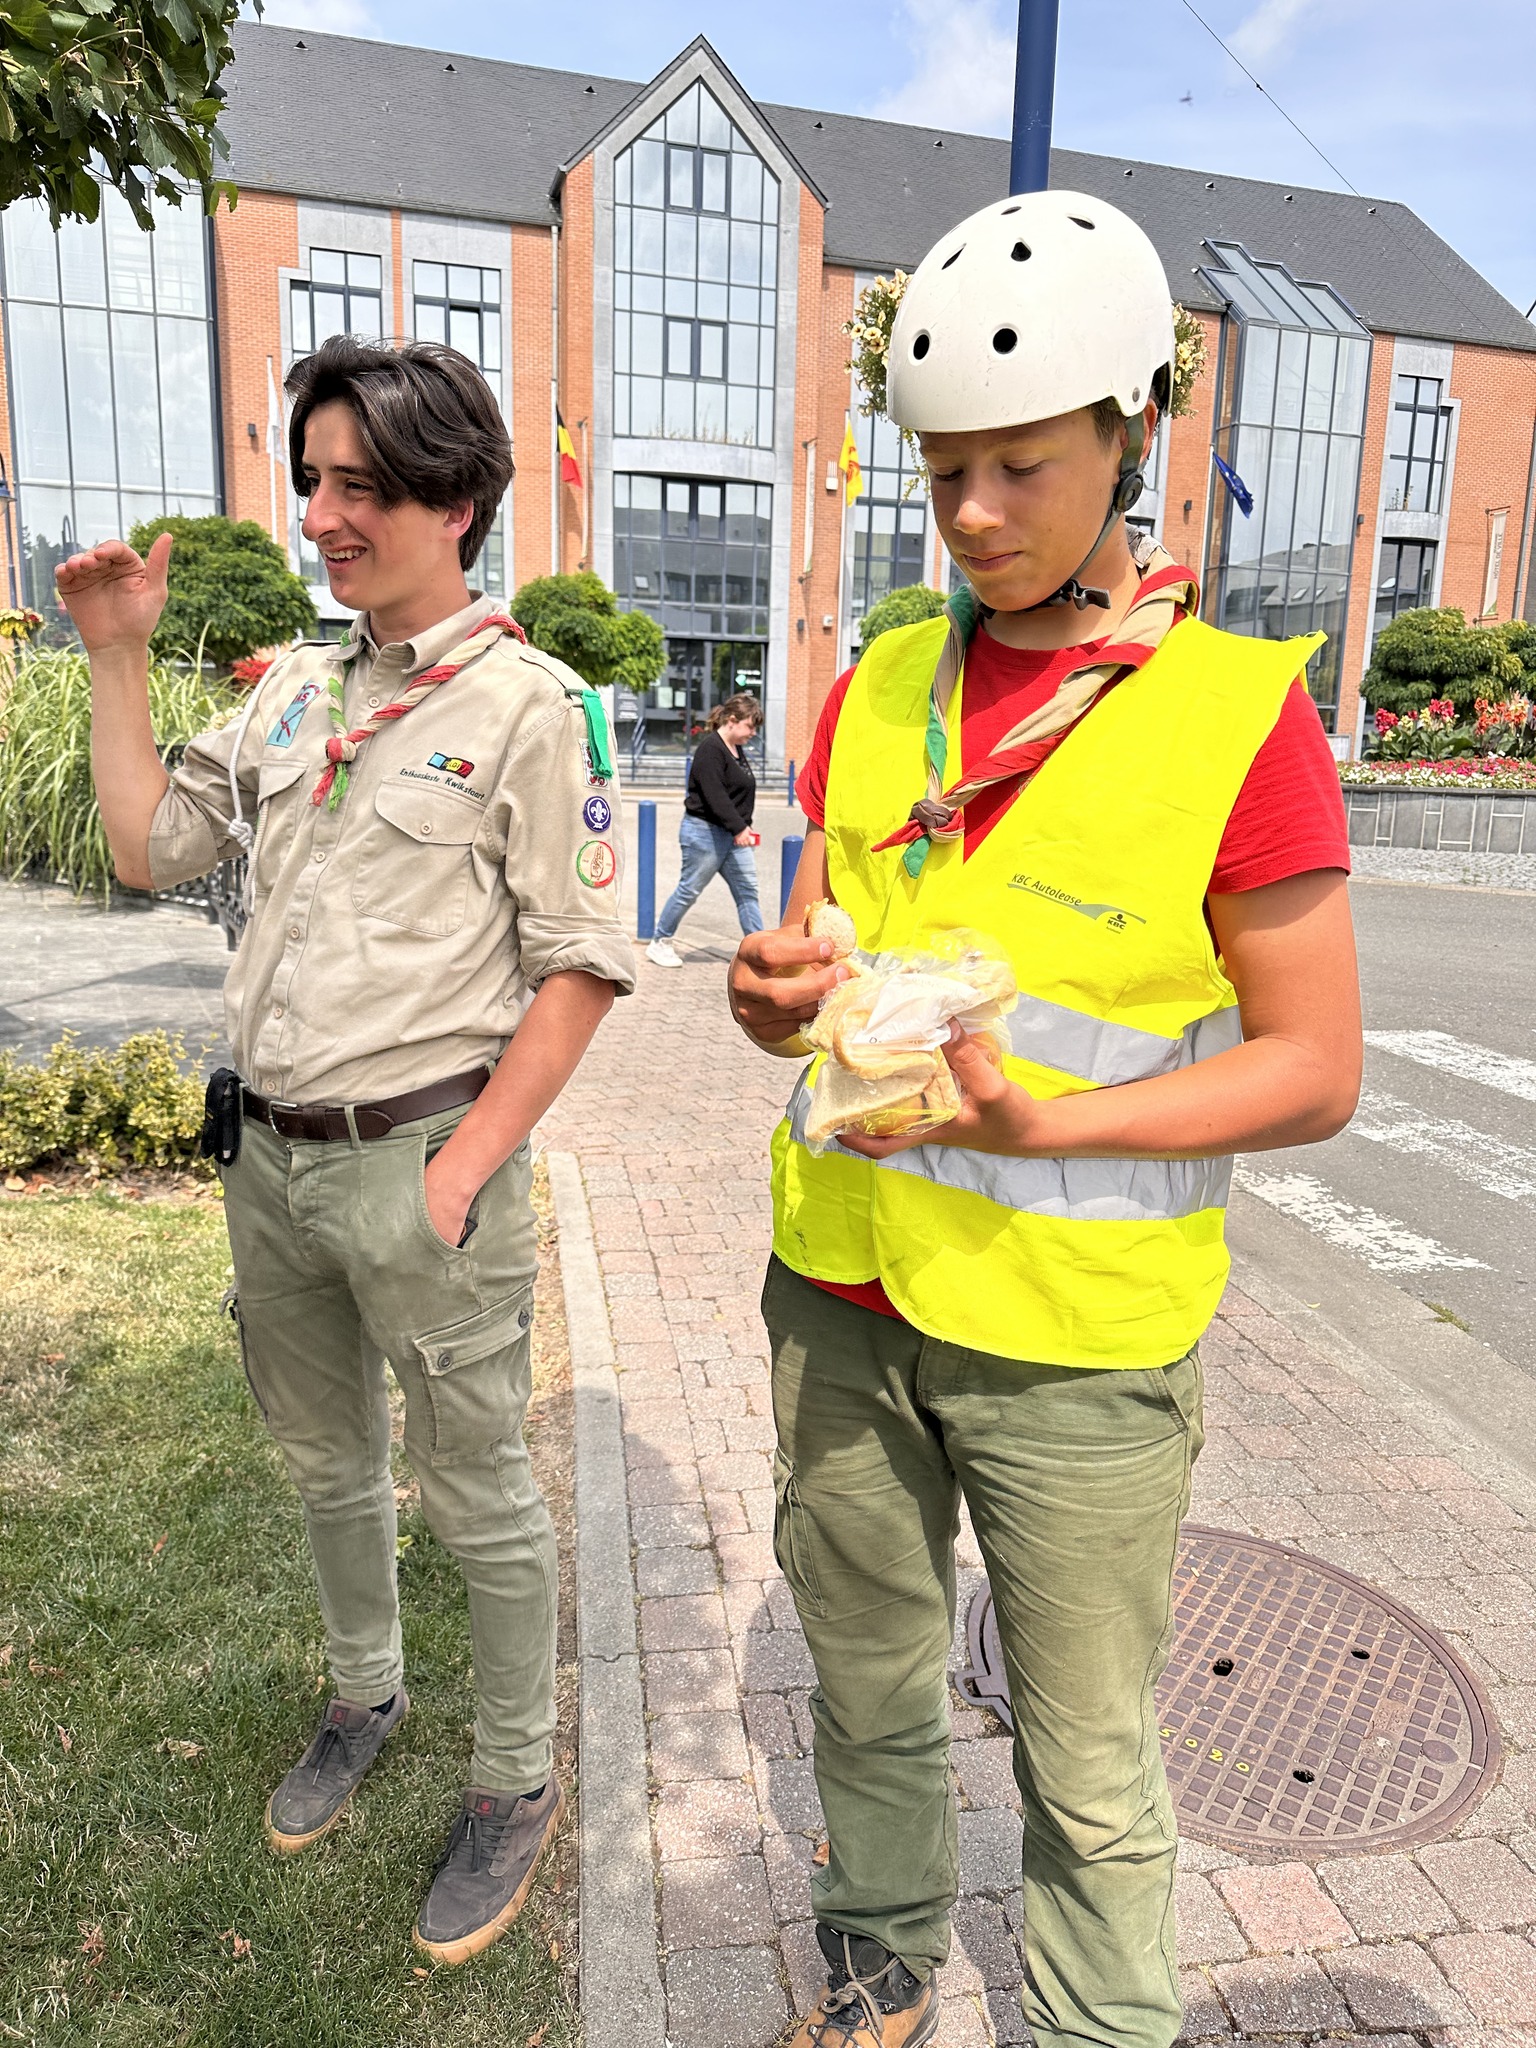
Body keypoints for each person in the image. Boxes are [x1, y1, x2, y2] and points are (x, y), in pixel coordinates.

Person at [727, 191, 1362, 2048]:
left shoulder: (1236, 717)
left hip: (1076, 1351)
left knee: (1087, 1761)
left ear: (1128, 436)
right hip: (839, 1292)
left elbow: (1316, 1066)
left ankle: (1098, 2022)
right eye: (944, 476)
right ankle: (879, 1954)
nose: (978, 516)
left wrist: (1052, 1124)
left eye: (1020, 466)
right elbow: (839, 956)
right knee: (866, 1679)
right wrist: (776, 997)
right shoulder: (879, 687)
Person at [58, 335, 634, 1966]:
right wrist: (115, 656)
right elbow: (144, 843)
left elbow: (583, 961)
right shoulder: (300, 694)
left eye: (360, 485)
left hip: (422, 1166)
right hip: (277, 1166)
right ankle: (366, 1691)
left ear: (455, 496)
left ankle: (515, 1779)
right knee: (326, 1463)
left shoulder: (531, 708)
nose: (322, 514)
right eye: (311, 480)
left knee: (477, 1494)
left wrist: (465, 1166)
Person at [646, 691, 764, 966]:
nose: (753, 732)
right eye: (750, 725)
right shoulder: (711, 749)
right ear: (732, 720)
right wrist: (739, 828)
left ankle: (760, 952)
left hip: (734, 835)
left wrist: (743, 827)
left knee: (748, 892)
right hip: (705, 833)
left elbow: (737, 795)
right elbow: (715, 795)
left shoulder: (737, 750)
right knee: (689, 890)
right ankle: (660, 941)